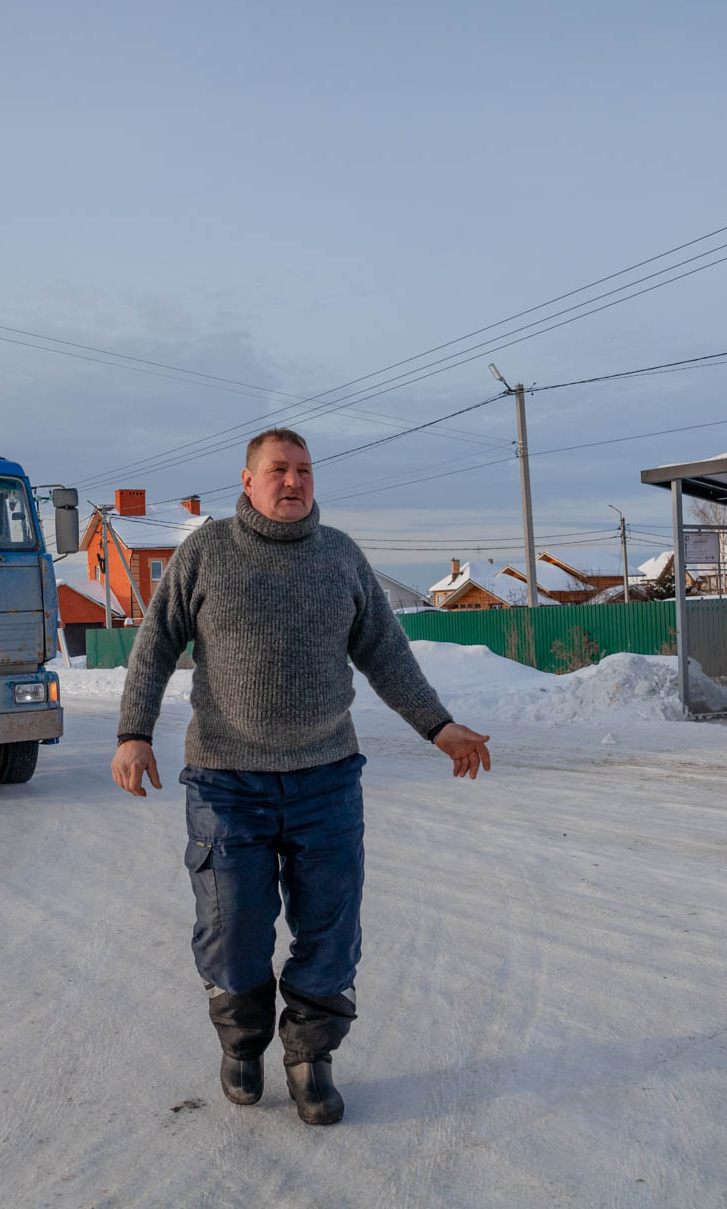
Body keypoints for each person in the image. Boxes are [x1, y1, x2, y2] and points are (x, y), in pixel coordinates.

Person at [112, 428, 492, 1126]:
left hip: (327, 779)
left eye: (304, 471)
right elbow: (155, 643)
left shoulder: (340, 556)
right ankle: (243, 1042)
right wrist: (134, 732)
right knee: (235, 927)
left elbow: (387, 653)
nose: (294, 481)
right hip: (227, 781)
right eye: (279, 470)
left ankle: (310, 1058)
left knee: (330, 929)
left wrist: (439, 726)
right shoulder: (206, 552)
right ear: (249, 480)